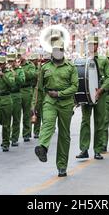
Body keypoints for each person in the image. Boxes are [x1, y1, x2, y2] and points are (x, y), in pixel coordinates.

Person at [34, 40, 79, 177]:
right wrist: (34, 106)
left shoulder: (71, 67)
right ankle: (42, 147)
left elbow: (74, 86)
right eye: (54, 50)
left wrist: (60, 93)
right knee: (47, 123)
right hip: (49, 100)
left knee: (64, 135)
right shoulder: (45, 67)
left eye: (59, 49)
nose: (57, 52)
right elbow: (39, 88)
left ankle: (62, 166)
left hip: (65, 102)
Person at [76, 36, 109, 160]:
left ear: (97, 45)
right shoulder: (83, 60)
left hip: (100, 93)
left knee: (99, 122)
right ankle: (84, 149)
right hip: (87, 93)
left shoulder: (104, 59)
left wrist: (101, 89)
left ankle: (97, 150)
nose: (91, 46)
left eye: (93, 44)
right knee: (85, 121)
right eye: (89, 44)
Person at [18, 48, 37, 142]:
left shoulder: (30, 65)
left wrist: (20, 70)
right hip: (16, 90)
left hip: (26, 90)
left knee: (27, 113)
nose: (18, 57)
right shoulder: (13, 65)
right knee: (16, 114)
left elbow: (32, 75)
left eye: (20, 55)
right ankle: (14, 136)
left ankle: (26, 133)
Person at [9, 52, 25, 147]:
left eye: (12, 61)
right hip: (6, 95)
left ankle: (14, 138)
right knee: (6, 120)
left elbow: (22, 82)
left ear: (15, 62)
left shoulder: (19, 70)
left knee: (16, 118)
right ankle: (6, 139)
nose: (10, 63)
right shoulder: (3, 70)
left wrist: (15, 74)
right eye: (9, 61)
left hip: (16, 95)